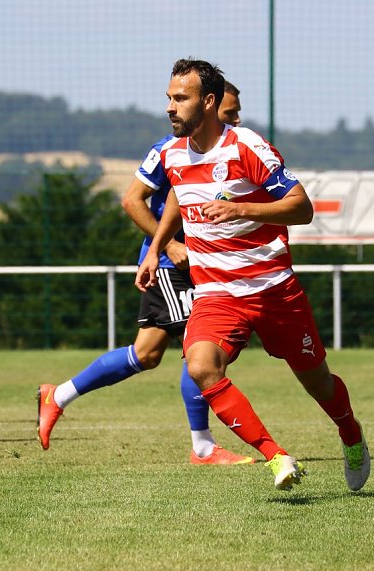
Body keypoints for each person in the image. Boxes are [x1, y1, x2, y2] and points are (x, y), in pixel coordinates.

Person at [134, 58, 370, 491]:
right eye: (168, 97)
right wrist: (157, 248)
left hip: (274, 290)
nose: (170, 106)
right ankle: (276, 457)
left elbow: (302, 207)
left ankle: (351, 434)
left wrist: (241, 207)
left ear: (207, 102)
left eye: (180, 98)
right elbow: (177, 198)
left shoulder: (247, 147)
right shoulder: (170, 153)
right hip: (217, 293)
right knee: (202, 366)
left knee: (316, 380)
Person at [36, 82, 254, 465]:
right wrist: (167, 245)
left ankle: (60, 395)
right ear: (209, 108)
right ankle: (202, 446)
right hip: (175, 265)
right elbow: (132, 200)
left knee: (147, 354)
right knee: (198, 349)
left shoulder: (232, 152)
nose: (236, 120)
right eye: (230, 113)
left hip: (201, 263)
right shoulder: (168, 151)